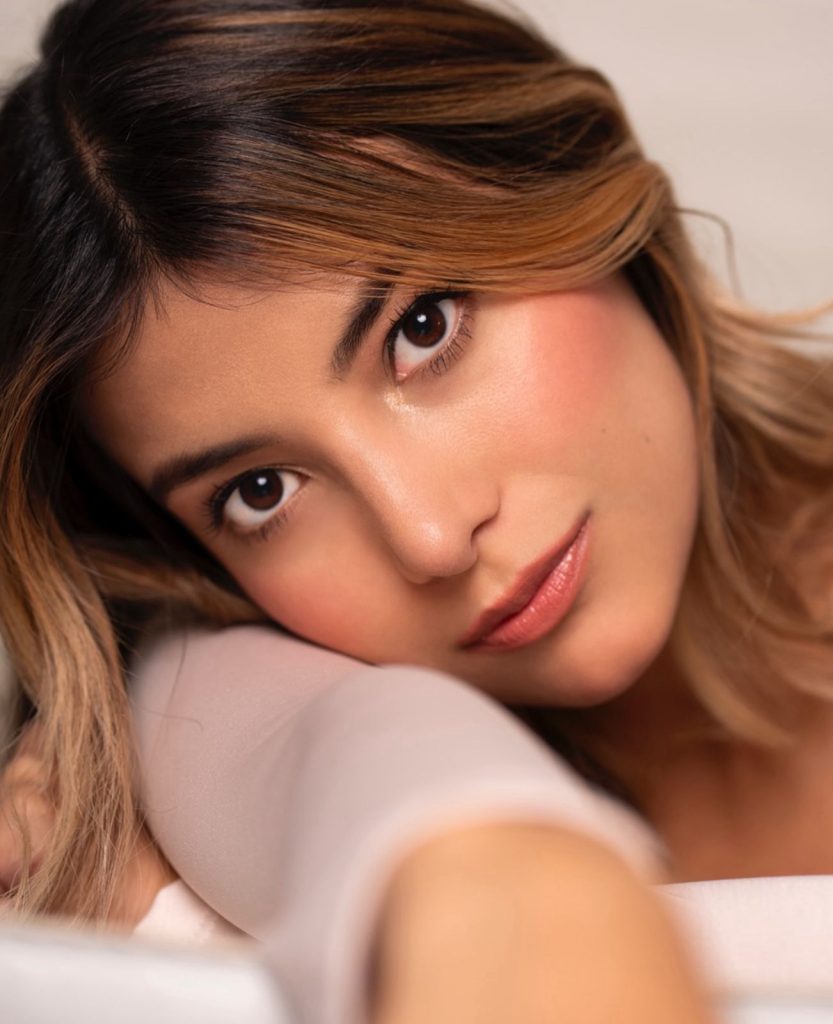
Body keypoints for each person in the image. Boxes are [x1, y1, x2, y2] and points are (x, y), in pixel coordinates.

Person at [0, 0, 830, 1021]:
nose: (429, 536)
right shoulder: (233, 718)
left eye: (422, 329)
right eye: (260, 492)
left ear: (572, 180)